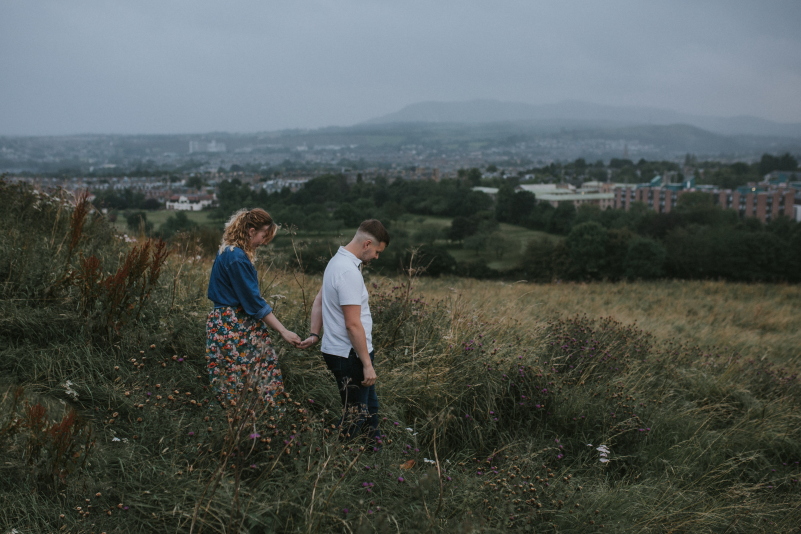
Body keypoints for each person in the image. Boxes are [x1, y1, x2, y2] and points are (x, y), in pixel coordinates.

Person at [299, 219, 390, 442]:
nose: (376, 258)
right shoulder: (348, 271)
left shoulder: (336, 262)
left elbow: (320, 299)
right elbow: (352, 323)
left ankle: (374, 456)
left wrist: (314, 334)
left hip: (344, 350)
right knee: (355, 415)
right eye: (377, 252)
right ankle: (333, 462)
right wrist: (367, 364)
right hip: (350, 354)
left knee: (370, 410)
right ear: (367, 244)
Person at [206, 208, 301, 409]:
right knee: (254, 378)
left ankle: (237, 425)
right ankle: (262, 425)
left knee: (230, 378)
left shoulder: (226, 251)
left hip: (221, 322)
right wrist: (283, 331)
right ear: (250, 231)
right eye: (262, 235)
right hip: (235, 324)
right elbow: (254, 302)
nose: (263, 241)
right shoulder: (237, 258)